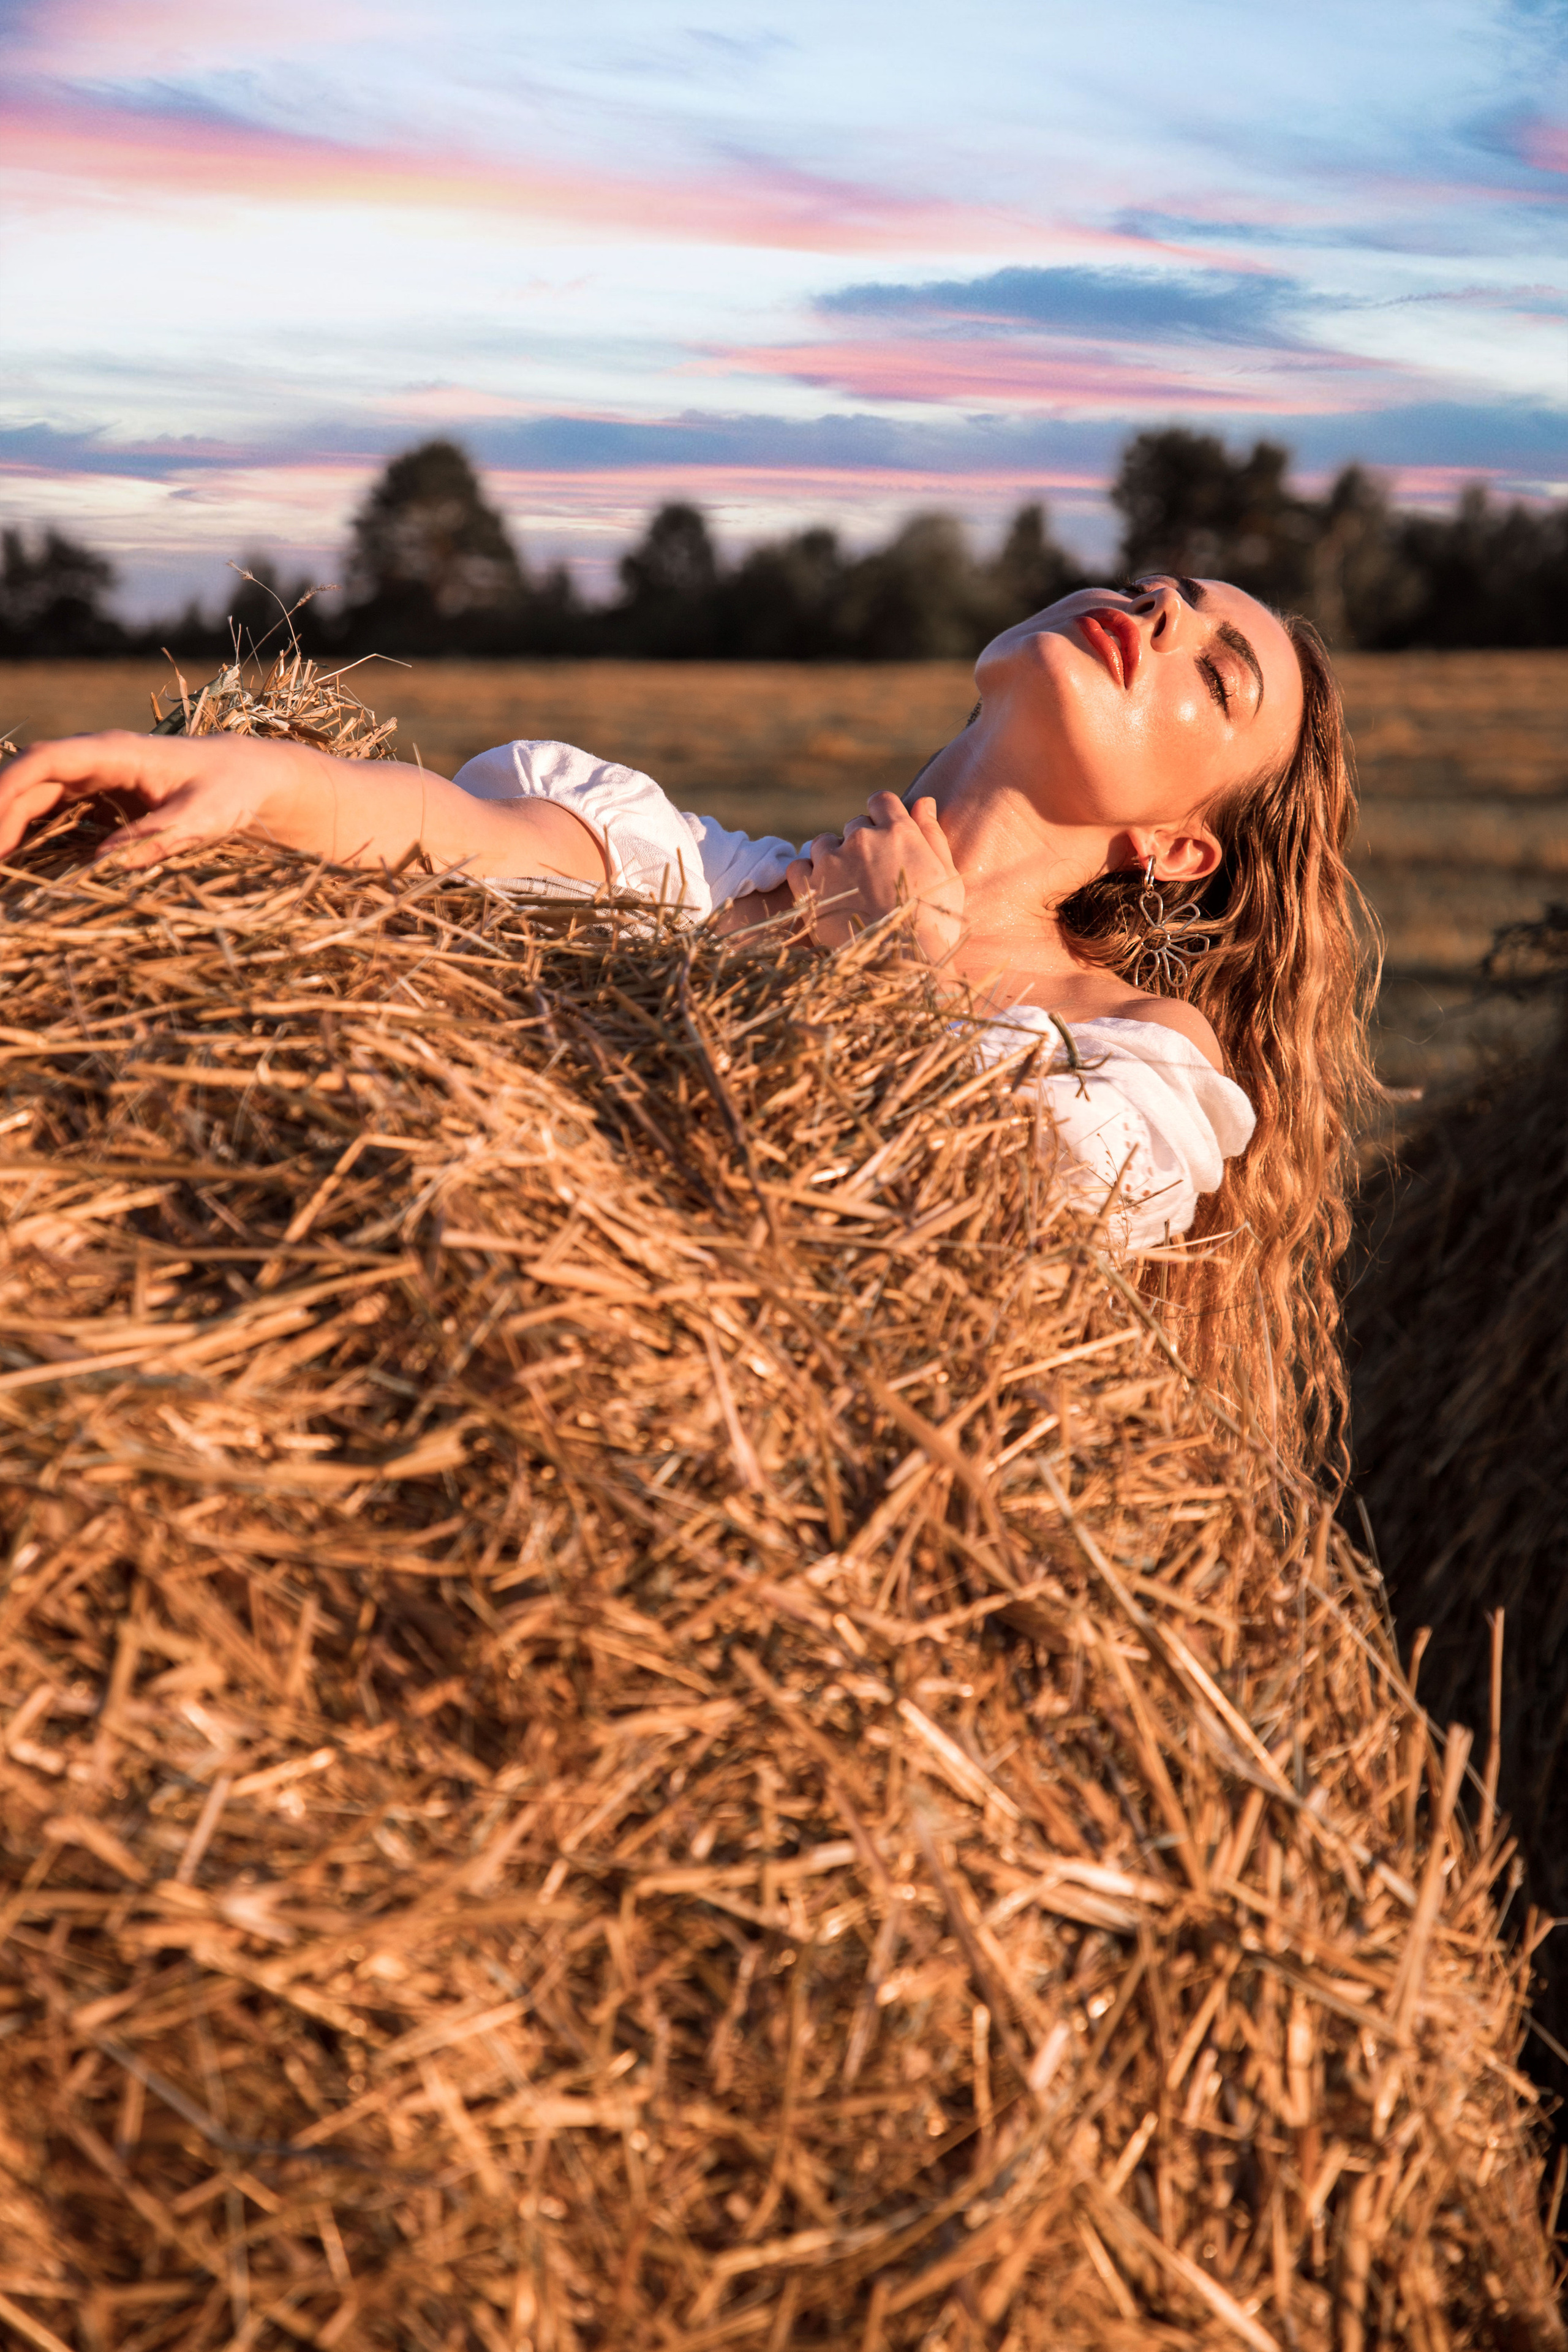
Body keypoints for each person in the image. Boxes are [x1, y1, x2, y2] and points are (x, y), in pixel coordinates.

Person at [0, 575, 1374, 1470]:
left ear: (1174, 849)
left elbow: (965, 1259)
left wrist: (877, 977)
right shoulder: (682, 871)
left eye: (1215, 676)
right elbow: (447, 831)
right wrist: (245, 773)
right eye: (1154, 592)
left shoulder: (1126, 1057)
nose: (1156, 620)